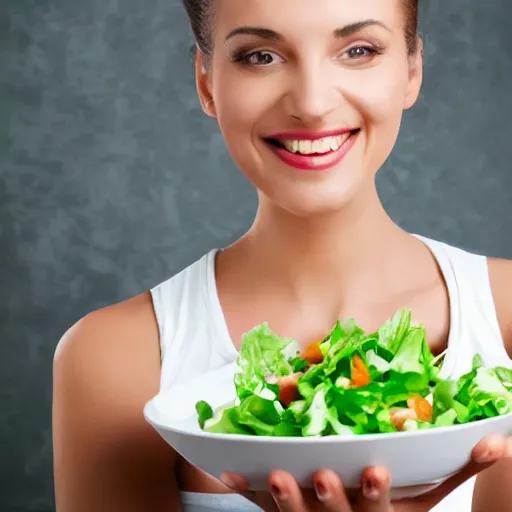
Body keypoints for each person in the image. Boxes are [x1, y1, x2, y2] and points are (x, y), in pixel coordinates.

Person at [52, 0, 512, 510]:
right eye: (261, 56)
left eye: (358, 50)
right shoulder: (116, 359)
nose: (312, 103)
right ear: (207, 82)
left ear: (411, 70)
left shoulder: (506, 321)